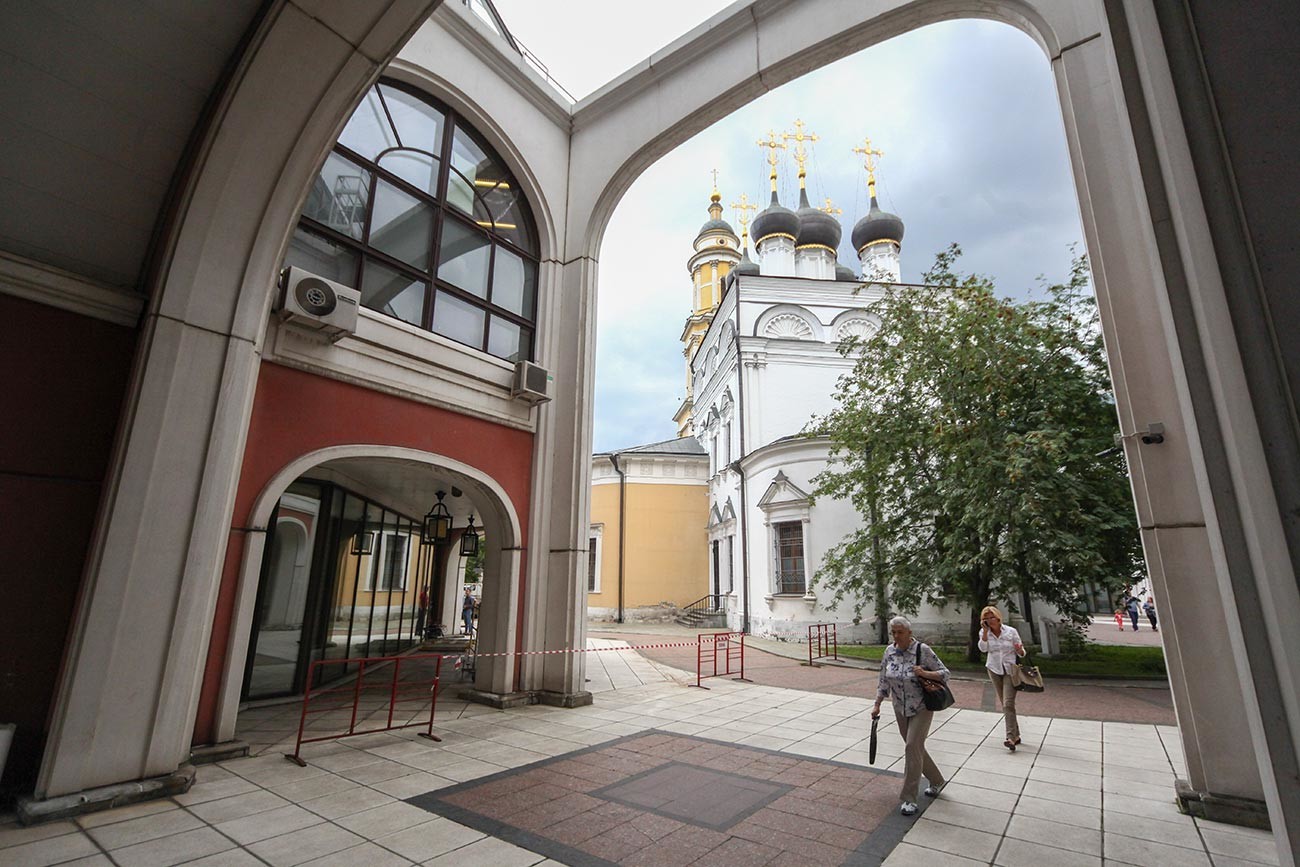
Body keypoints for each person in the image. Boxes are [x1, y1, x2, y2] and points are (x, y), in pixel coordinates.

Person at [872, 615, 948, 816]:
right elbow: (883, 680)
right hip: (899, 708)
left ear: (909, 633)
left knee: (911, 746)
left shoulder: (922, 651)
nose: (897, 636)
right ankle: (937, 780)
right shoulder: (889, 651)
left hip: (921, 707)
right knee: (915, 748)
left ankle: (909, 799)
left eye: (900, 632)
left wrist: (924, 673)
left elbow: (944, 673)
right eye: (893, 632)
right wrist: (877, 704)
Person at [977, 606, 1026, 750]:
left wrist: (1019, 650)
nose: (990, 620)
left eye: (992, 617)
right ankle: (1016, 735)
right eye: (986, 618)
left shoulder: (1011, 631)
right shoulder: (984, 632)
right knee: (1006, 705)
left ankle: (1010, 738)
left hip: (1010, 671)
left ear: (998, 618)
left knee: (1007, 704)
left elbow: (1022, 652)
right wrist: (985, 633)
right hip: (994, 669)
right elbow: (983, 649)